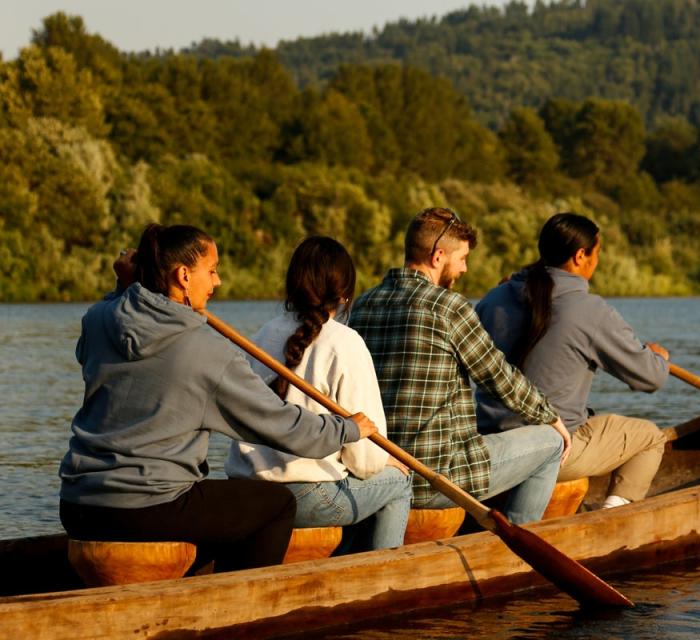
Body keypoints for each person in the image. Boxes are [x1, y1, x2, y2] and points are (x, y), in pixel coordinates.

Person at [58, 223, 377, 572]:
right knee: (276, 506)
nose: (217, 282)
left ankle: (194, 581)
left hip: (77, 505)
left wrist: (124, 287)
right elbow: (280, 425)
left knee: (222, 502)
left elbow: (107, 322)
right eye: (211, 271)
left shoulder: (99, 319)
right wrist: (346, 429)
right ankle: (241, 609)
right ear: (183, 276)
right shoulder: (206, 349)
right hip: (149, 507)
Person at [348, 207, 570, 524]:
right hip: (436, 475)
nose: (465, 268)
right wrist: (551, 417)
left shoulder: (363, 304)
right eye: (462, 258)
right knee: (550, 443)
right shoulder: (447, 306)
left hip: (382, 470)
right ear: (438, 256)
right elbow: (497, 376)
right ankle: (512, 550)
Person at [225, 236, 412, 550]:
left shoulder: (259, 336)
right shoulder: (346, 343)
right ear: (344, 293)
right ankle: (379, 577)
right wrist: (389, 463)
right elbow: (365, 461)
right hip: (307, 496)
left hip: (249, 489)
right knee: (399, 482)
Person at [475, 212, 669, 509]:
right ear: (581, 255)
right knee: (651, 437)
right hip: (555, 448)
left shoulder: (495, 298)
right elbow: (651, 378)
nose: (597, 261)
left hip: (489, 442)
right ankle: (612, 516)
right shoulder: (588, 310)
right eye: (597, 253)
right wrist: (658, 358)